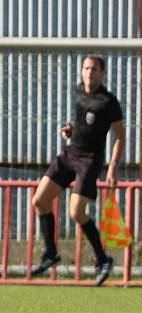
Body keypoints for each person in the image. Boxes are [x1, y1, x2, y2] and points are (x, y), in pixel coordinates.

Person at [30, 55, 125, 286]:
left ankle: (103, 259)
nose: (88, 72)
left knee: (76, 213)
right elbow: (82, 121)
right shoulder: (79, 92)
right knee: (39, 201)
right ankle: (51, 253)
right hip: (69, 154)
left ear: (102, 73)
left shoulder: (109, 102)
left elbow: (120, 136)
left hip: (89, 160)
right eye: (85, 68)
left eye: (93, 69)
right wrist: (70, 128)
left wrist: (113, 167)